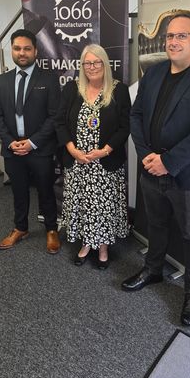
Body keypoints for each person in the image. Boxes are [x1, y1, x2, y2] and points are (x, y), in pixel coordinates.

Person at [121, 9, 190, 326]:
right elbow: (136, 116)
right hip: (150, 169)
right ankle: (153, 270)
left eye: (181, 35)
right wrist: (146, 157)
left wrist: (168, 162)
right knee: (156, 225)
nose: (174, 41)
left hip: (188, 175)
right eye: (169, 35)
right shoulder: (153, 73)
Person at [55, 44, 131, 269]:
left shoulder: (119, 90)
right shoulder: (71, 89)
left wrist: (105, 150)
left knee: (103, 207)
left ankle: (103, 247)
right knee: (82, 205)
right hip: (78, 163)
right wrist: (71, 149)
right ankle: (86, 244)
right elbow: (59, 122)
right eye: (87, 63)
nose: (92, 67)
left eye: (96, 62)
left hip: (104, 163)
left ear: (105, 64)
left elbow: (124, 127)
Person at [0, 29, 61, 254]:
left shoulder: (48, 80)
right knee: (18, 191)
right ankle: (20, 228)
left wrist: (32, 142)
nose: (22, 53)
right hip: (13, 149)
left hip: (39, 149)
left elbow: (54, 116)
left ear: (36, 51)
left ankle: (51, 229)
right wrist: (10, 142)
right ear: (12, 50)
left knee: (45, 191)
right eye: (17, 48)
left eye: (27, 48)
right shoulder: (2, 80)